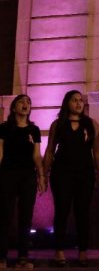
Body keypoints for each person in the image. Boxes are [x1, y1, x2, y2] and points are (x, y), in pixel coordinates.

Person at [43, 90, 99, 267]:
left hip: (84, 174)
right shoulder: (58, 124)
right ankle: (59, 251)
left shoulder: (92, 124)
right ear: (67, 103)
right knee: (61, 210)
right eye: (74, 100)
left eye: (81, 100)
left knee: (82, 212)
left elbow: (98, 151)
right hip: (61, 173)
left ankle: (82, 251)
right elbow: (49, 150)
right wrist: (43, 174)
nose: (78, 103)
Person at [0, 95, 45, 270]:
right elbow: (0, 152)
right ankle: (2, 257)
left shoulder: (34, 130)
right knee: (4, 215)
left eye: (28, 102)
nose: (25, 104)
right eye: (21, 101)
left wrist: (41, 176)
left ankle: (23, 257)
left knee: (26, 216)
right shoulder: (4, 128)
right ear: (13, 108)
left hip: (28, 176)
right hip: (7, 174)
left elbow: (36, 155)